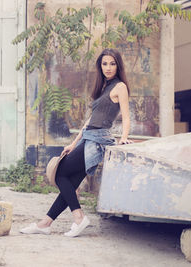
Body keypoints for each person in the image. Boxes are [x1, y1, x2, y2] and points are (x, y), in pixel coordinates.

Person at [20, 48, 132, 237]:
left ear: (118, 65)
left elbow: (126, 117)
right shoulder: (104, 86)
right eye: (104, 63)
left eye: (112, 63)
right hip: (88, 137)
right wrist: (74, 143)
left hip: (98, 140)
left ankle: (79, 218)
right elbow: (90, 120)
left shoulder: (120, 86)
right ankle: (45, 224)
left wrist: (123, 139)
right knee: (69, 182)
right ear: (100, 66)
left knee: (60, 173)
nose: (108, 67)